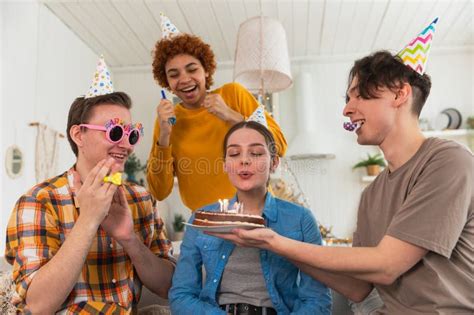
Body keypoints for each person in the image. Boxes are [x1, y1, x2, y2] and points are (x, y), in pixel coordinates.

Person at [212, 49, 473, 313]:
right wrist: (279, 246)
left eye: (359, 95)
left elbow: (387, 265)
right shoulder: (372, 194)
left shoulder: (449, 161)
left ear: (400, 94)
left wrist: (276, 242)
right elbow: (357, 289)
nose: (347, 109)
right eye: (348, 98)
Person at [4, 57, 175, 314]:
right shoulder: (39, 201)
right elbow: (38, 306)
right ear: (78, 135)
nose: (126, 145)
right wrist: (88, 221)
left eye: (131, 134)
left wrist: (129, 239)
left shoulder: (141, 199)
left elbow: (169, 287)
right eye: (115, 133)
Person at [169, 121, 332, 315]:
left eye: (255, 153)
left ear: (274, 163)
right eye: (234, 154)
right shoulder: (201, 219)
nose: (244, 160)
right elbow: (181, 296)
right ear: (225, 165)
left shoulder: (301, 219)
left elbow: (317, 301)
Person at [147, 19, 287, 211]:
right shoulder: (167, 121)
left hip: (254, 214)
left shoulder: (233, 95)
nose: (184, 79)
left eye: (192, 69)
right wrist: (164, 136)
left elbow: (278, 145)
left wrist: (232, 117)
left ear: (206, 70)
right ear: (167, 82)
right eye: (174, 74)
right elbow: (159, 192)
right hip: (205, 226)